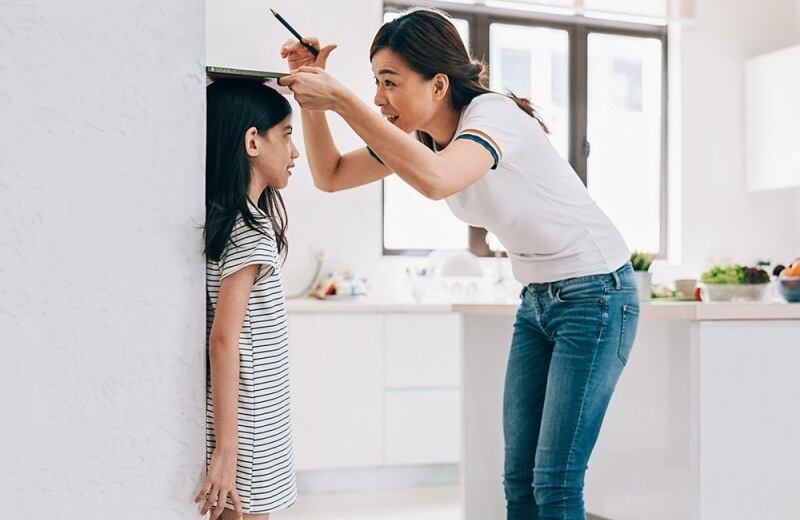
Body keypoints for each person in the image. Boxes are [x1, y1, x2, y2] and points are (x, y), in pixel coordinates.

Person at [279, 9, 640, 519]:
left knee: (555, 483)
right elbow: (332, 175)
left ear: (438, 84)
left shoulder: (493, 117)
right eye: (373, 84)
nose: (379, 98)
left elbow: (438, 180)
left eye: (389, 82)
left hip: (597, 294)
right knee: (519, 482)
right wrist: (314, 95)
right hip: (537, 299)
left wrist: (341, 99)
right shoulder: (423, 137)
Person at [196, 79, 300, 520]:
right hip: (249, 426)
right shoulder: (249, 231)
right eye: (288, 135)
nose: (295, 153)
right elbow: (224, 339)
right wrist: (227, 451)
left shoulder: (232, 220)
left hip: (256, 421)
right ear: (253, 140)